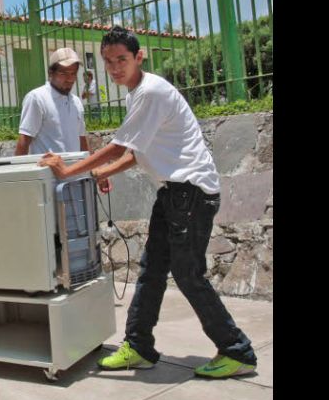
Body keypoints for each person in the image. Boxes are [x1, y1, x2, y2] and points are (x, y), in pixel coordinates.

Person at [39, 26, 256, 379]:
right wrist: (98, 173)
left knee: (188, 275)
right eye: (108, 62)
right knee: (152, 270)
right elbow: (139, 154)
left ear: (139, 57)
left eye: (121, 60)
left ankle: (237, 350)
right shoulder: (136, 93)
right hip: (174, 194)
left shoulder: (151, 92)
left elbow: (119, 146)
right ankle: (139, 346)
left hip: (189, 193)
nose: (114, 68)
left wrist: (68, 171)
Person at [15, 47, 89, 155]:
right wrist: (20, 171)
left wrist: (88, 169)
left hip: (74, 170)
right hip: (47, 171)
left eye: (73, 73)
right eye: (63, 73)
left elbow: (82, 139)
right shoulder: (37, 98)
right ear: (50, 73)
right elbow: (24, 140)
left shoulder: (76, 102)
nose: (70, 79)